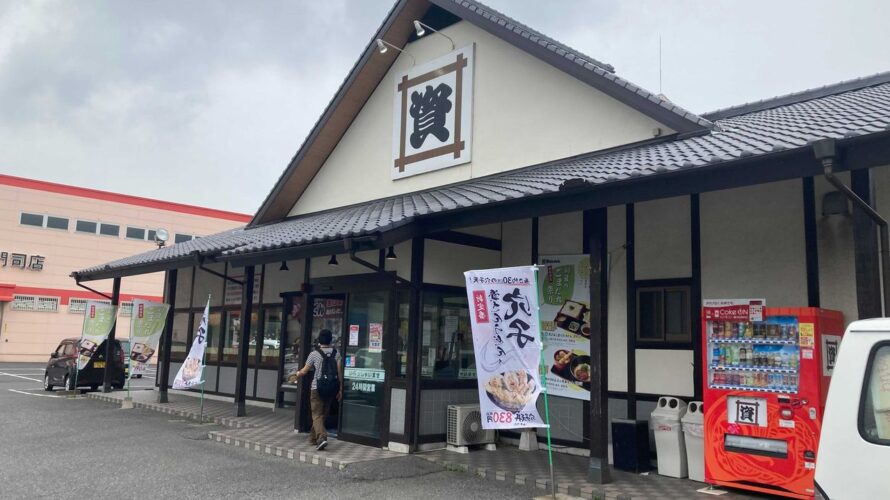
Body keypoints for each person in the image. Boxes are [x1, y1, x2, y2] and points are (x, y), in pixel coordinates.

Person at [294, 329, 342, 451]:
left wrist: (297, 373)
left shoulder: (314, 354)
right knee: (323, 415)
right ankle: (313, 438)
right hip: (331, 388)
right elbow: (339, 372)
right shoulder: (336, 353)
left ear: (319, 340)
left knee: (316, 415)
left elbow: (305, 371)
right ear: (331, 340)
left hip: (317, 388)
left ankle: (322, 437)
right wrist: (340, 389)